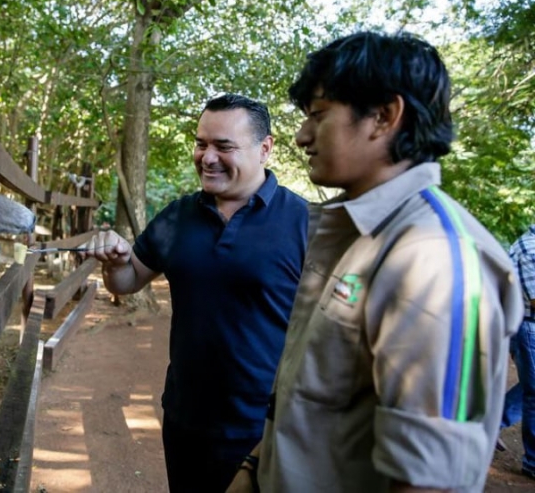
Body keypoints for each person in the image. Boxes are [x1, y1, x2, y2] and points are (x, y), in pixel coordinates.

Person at [226, 31, 523, 493]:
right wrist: (253, 469)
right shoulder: (356, 233)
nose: (302, 136)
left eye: (318, 115)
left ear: (384, 116)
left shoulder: (432, 258)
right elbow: (316, 400)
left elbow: (429, 482)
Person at [82, 93, 309, 492]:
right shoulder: (178, 216)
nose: (207, 157)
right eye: (201, 143)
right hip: (185, 422)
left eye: (224, 146)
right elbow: (127, 282)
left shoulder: (304, 222)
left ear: (265, 149)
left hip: (266, 431)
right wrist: (115, 264)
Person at [498, 225, 535, 479]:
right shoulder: (529, 248)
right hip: (529, 327)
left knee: (529, 387)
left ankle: (490, 424)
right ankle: (532, 461)